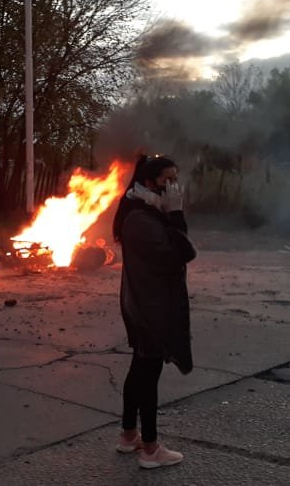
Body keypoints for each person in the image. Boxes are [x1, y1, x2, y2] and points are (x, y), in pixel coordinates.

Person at [110, 154, 196, 469]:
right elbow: (183, 252)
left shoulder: (147, 211)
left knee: (139, 370)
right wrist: (176, 214)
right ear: (148, 182)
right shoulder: (140, 219)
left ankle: (128, 435)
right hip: (148, 308)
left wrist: (170, 214)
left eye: (175, 179)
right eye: (166, 180)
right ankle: (150, 449)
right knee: (148, 377)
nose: (173, 186)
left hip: (146, 303)